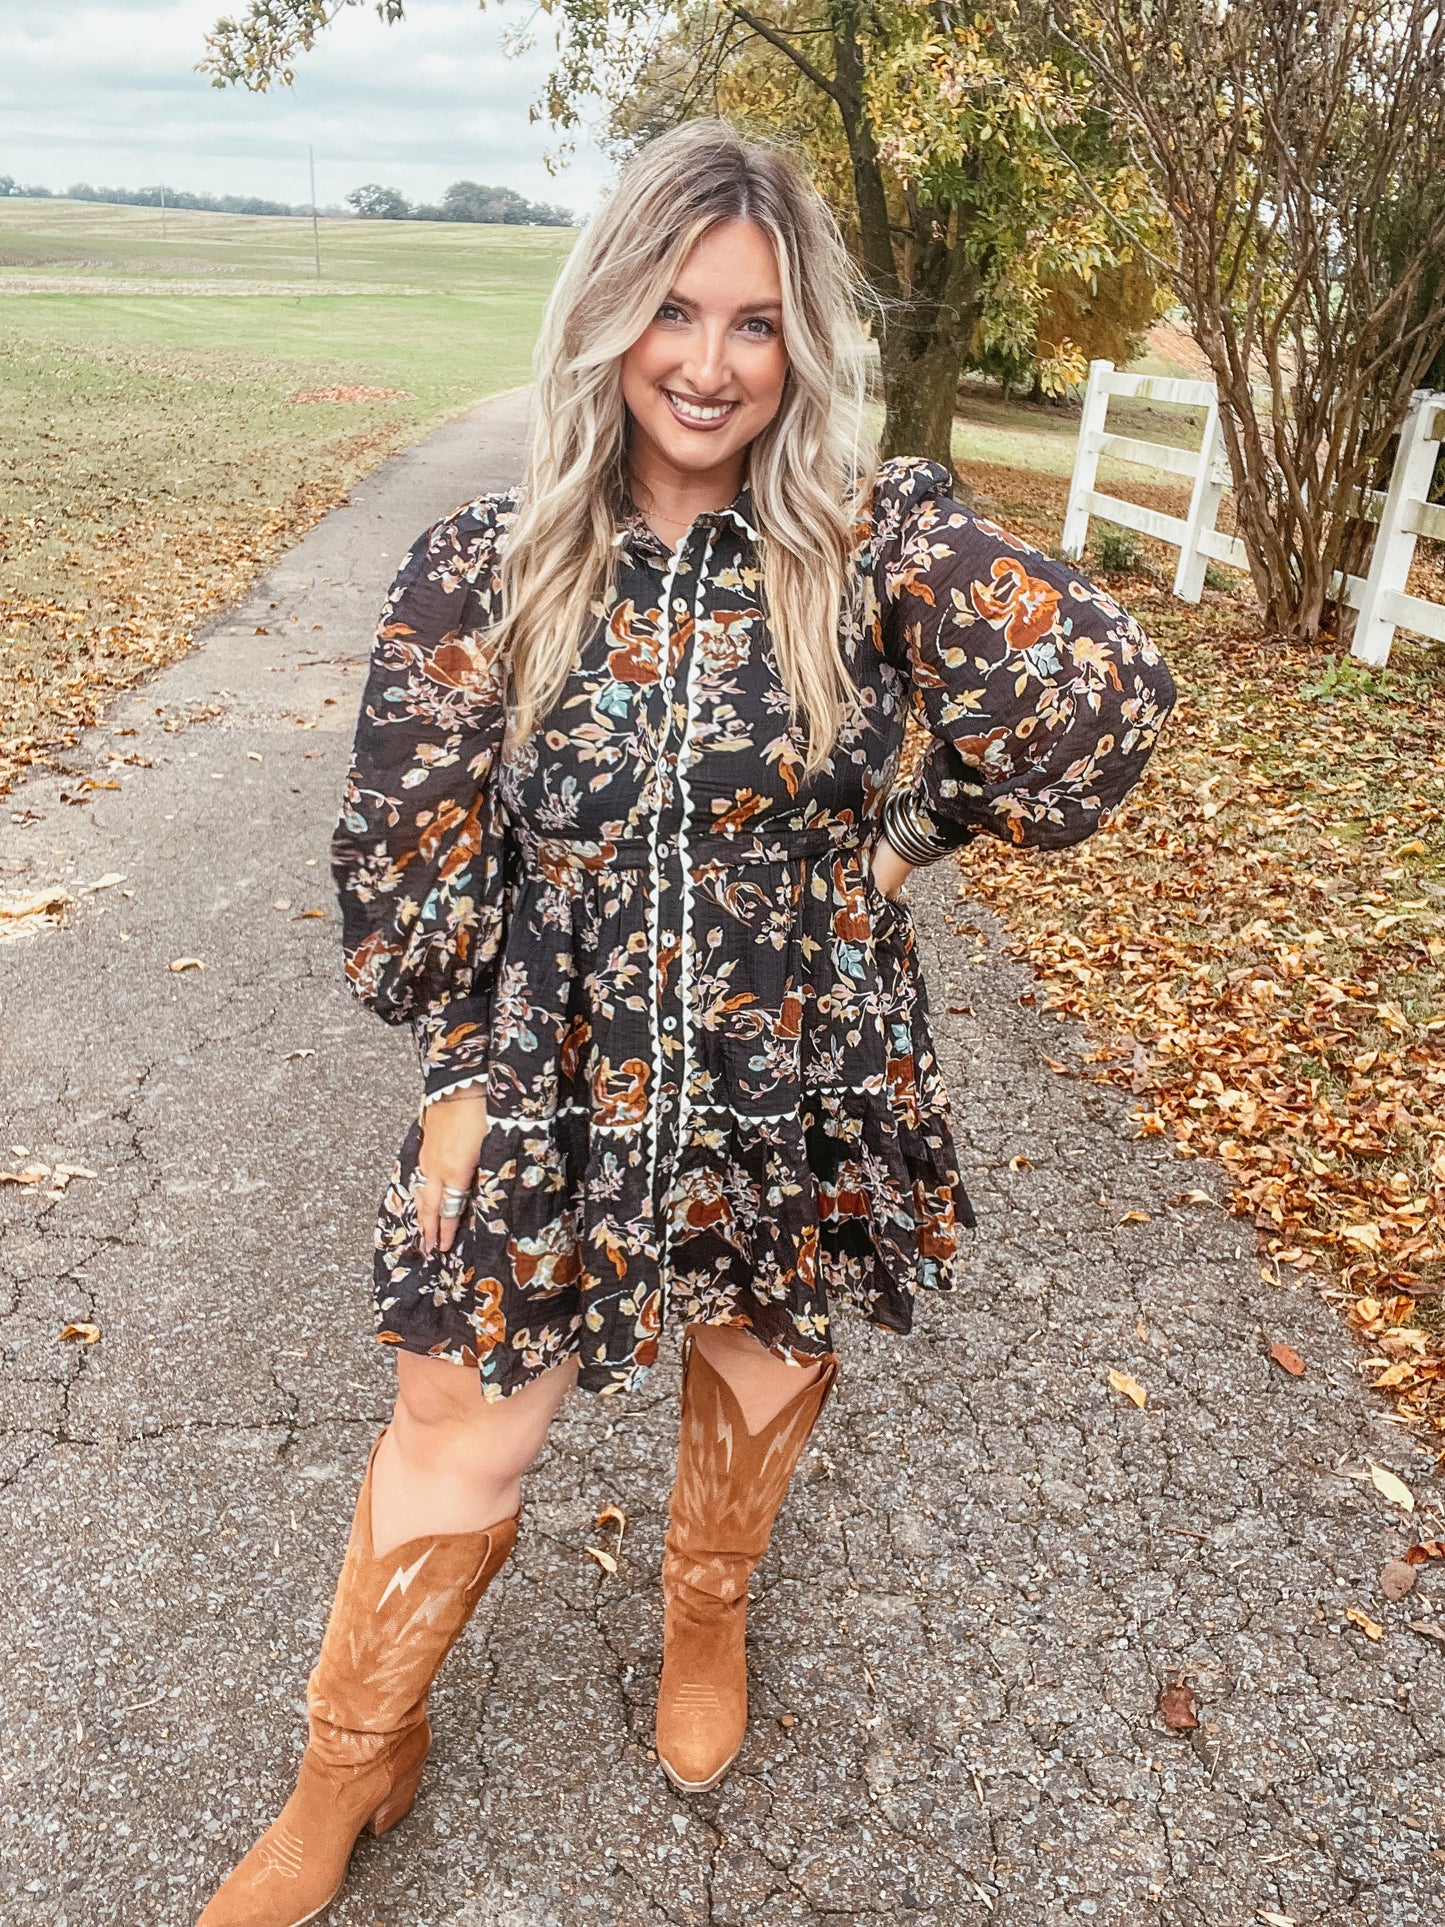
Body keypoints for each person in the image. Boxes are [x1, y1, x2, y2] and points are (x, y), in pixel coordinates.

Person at [198, 120, 1174, 1926]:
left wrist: (896, 822)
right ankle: (348, 1762)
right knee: (452, 1414)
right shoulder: (481, 564)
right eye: (673, 311)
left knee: (758, 1340)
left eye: (756, 323)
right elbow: (412, 868)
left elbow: (1097, 719)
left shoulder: (863, 543)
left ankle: (701, 1611)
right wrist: (470, 1063)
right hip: (553, 1054)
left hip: (792, 1049)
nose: (708, 365)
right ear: (605, 320)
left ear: (803, 346)